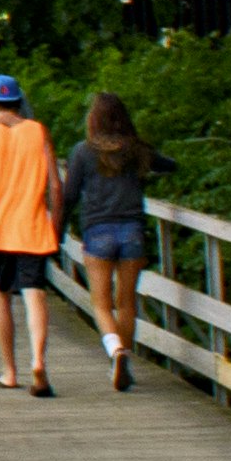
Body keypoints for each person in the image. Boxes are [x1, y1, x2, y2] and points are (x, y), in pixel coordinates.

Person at [0, 53, 67, 389]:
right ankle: (39, 361)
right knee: (36, 294)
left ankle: (10, 371)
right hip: (33, 227)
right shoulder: (38, 131)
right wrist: (56, 222)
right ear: (18, 101)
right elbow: (54, 184)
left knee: (2, 295)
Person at [63, 92, 162, 386]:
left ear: (93, 120)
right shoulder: (137, 150)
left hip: (98, 232)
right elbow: (168, 164)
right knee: (127, 302)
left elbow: (69, 195)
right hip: (132, 231)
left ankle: (114, 350)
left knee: (102, 304)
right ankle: (125, 359)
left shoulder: (82, 152)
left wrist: (57, 230)